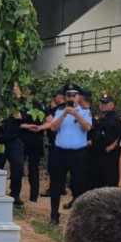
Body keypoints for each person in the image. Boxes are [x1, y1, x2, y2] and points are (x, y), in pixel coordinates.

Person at [41, 82, 91, 225]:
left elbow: (87, 127)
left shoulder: (85, 111)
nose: (71, 98)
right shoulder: (59, 111)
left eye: (74, 95)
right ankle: (54, 215)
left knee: (78, 186)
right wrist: (64, 114)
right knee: (56, 185)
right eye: (68, 95)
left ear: (78, 97)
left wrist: (76, 114)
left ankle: (77, 218)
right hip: (60, 153)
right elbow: (53, 128)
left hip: (78, 154)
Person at [0, 83, 26, 207]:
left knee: (18, 166)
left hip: (14, 138)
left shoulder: (19, 102)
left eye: (15, 87)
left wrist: (21, 115)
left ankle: (15, 194)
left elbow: (26, 115)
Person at [87, 93, 121, 189]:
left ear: (112, 105)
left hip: (109, 156)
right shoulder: (97, 117)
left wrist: (112, 146)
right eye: (101, 103)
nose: (102, 105)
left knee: (110, 183)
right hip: (96, 154)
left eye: (105, 103)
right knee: (96, 182)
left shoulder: (116, 118)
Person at [18, 84, 45, 202]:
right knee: (33, 168)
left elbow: (17, 122)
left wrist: (29, 126)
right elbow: (49, 121)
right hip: (35, 140)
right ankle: (33, 196)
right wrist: (39, 127)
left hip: (24, 140)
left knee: (20, 167)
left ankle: (16, 194)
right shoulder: (41, 105)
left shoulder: (22, 105)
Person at [38, 88, 67, 199]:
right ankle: (61, 188)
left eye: (55, 96)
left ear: (60, 96)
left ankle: (54, 189)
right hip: (57, 142)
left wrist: (52, 108)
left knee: (54, 168)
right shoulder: (61, 108)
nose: (54, 98)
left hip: (56, 142)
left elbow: (53, 122)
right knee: (59, 168)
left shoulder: (60, 109)